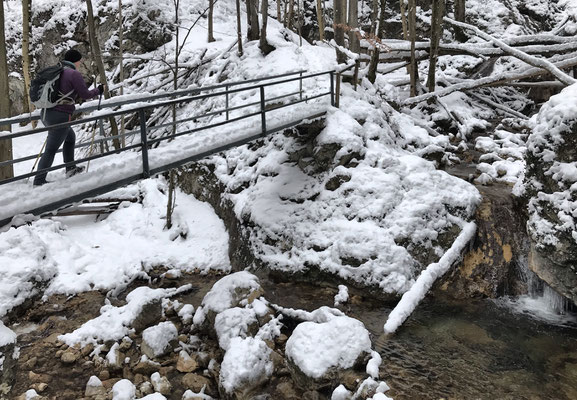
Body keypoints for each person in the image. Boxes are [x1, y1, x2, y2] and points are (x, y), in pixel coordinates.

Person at [33, 49, 104, 186]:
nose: (80, 63)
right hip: (60, 115)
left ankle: (70, 168)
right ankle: (39, 180)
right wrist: (99, 90)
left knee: (70, 138)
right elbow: (85, 95)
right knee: (51, 149)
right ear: (76, 61)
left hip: (47, 113)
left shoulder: (58, 70)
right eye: (79, 60)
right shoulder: (73, 74)